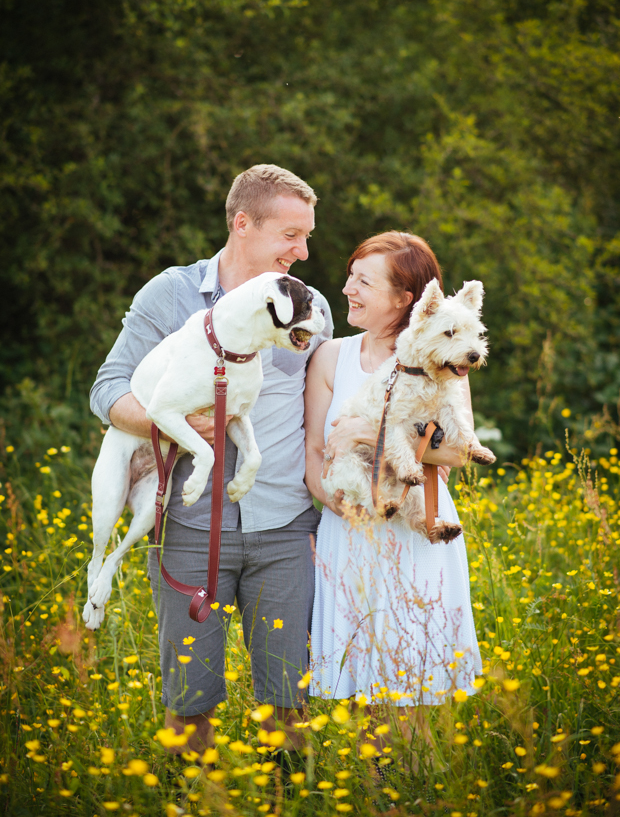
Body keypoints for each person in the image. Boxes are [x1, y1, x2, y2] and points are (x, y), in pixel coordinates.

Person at [90, 164, 333, 754]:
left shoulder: (310, 306)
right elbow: (108, 388)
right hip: (190, 529)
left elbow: (336, 401)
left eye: (306, 237)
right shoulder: (170, 293)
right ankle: (186, 798)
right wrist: (170, 422)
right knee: (189, 701)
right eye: (290, 236)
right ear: (243, 223)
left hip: (285, 530)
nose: (302, 252)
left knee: (288, 701)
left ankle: (288, 801)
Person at [304, 231, 482, 762]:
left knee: (414, 684)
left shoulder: (445, 358)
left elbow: (457, 452)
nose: (347, 289)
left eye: (364, 281)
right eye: (351, 276)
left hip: (416, 531)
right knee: (363, 688)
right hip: (351, 524)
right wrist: (345, 510)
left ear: (405, 299)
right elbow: (315, 450)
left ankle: (414, 789)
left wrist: (367, 435)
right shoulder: (331, 357)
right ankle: (371, 793)